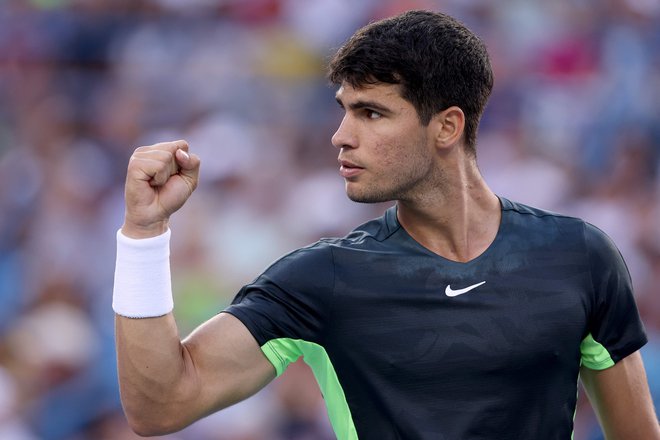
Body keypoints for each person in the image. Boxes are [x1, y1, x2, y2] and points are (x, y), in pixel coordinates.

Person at [113, 10, 660, 439]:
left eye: (371, 113)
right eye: (343, 110)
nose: (341, 136)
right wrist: (143, 232)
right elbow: (162, 406)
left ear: (446, 127)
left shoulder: (580, 256)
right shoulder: (322, 279)